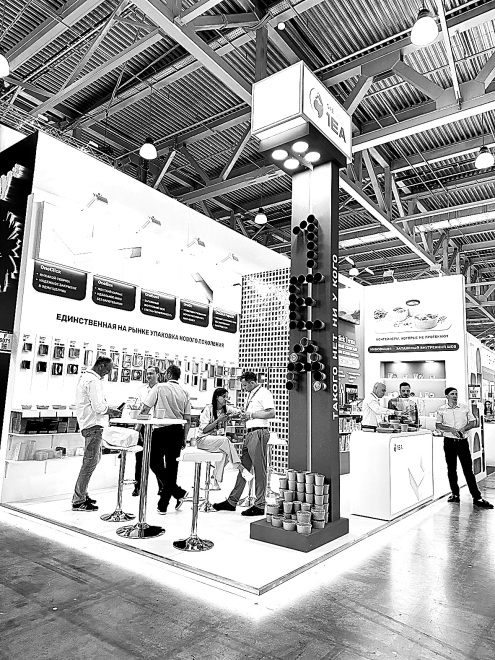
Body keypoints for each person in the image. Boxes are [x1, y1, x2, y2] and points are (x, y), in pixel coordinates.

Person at [213, 372, 275, 516]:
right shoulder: (251, 394)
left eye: (245, 385)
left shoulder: (264, 393)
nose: (243, 387)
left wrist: (251, 415)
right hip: (250, 433)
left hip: (259, 433)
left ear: (252, 382)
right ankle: (232, 501)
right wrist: (244, 415)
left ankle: (260, 505)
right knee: (243, 469)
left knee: (259, 470)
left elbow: (271, 413)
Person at [72, 356, 122, 511]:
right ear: (101, 366)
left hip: (91, 425)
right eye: (108, 369)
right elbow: (98, 407)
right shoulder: (93, 381)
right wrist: (111, 411)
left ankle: (82, 494)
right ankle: (78, 500)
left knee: (92, 461)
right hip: (93, 425)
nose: (109, 373)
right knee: (89, 463)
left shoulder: (87, 378)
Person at [141, 365, 190, 515]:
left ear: (168, 374)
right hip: (177, 431)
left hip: (160, 430)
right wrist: (184, 437)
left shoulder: (159, 387)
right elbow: (187, 419)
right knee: (172, 468)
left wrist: (139, 426)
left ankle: (174, 496)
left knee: (153, 462)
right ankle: (168, 500)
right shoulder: (184, 392)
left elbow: (145, 408)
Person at [436, 387, 493, 509]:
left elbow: (473, 422)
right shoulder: (441, 409)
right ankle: (455, 494)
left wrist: (463, 429)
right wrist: (451, 429)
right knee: (451, 469)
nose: (455, 396)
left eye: (456, 394)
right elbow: (438, 425)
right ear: (447, 396)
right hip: (449, 442)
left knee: (468, 470)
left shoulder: (464, 408)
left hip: (462, 442)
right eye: (452, 394)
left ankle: (477, 497)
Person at [196, 387, 254, 486]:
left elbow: (238, 411)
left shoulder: (226, 408)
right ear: (217, 397)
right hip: (203, 440)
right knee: (225, 441)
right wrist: (218, 420)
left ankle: (214, 478)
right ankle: (241, 469)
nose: (226, 399)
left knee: (225, 453)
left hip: (216, 441)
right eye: (223, 397)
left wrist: (240, 413)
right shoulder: (208, 409)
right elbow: (204, 430)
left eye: (227, 397)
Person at [132, 366, 160, 497]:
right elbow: (139, 408)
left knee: (157, 459)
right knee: (139, 457)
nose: (149, 376)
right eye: (147, 373)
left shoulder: (161, 389)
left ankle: (162, 486)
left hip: (157, 427)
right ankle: (137, 486)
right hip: (143, 425)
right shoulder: (141, 390)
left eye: (151, 373)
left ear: (157, 374)